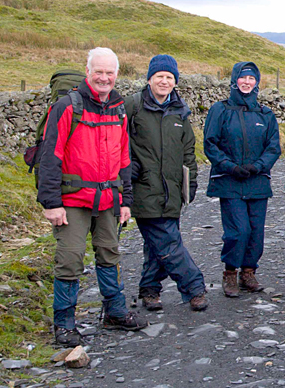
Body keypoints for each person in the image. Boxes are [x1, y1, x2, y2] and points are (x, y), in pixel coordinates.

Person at [37, 47, 147, 347]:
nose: (104, 78)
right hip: (71, 200)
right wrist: (51, 203)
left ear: (116, 74)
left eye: (109, 72)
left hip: (108, 199)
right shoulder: (67, 106)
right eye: (98, 71)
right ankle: (64, 324)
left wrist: (125, 200)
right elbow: (51, 156)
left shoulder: (119, 108)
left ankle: (114, 312)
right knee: (70, 260)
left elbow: (124, 157)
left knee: (109, 254)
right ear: (88, 72)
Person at [125, 55, 207, 312]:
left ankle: (149, 290)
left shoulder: (180, 112)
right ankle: (194, 287)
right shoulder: (132, 107)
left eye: (169, 77)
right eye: (159, 76)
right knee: (169, 243)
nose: (164, 81)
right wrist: (128, 167)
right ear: (149, 78)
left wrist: (190, 183)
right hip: (143, 188)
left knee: (157, 244)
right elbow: (116, 141)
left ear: (175, 82)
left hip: (172, 190)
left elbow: (188, 152)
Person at [204, 62, 281, 298]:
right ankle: (230, 272)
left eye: (251, 79)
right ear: (234, 80)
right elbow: (210, 143)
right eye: (243, 78)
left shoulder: (265, 115)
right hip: (230, 181)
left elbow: (273, 147)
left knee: (256, 231)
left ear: (257, 82)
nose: (247, 82)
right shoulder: (220, 110)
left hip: (257, 181)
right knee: (238, 230)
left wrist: (258, 166)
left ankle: (249, 272)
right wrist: (230, 167)